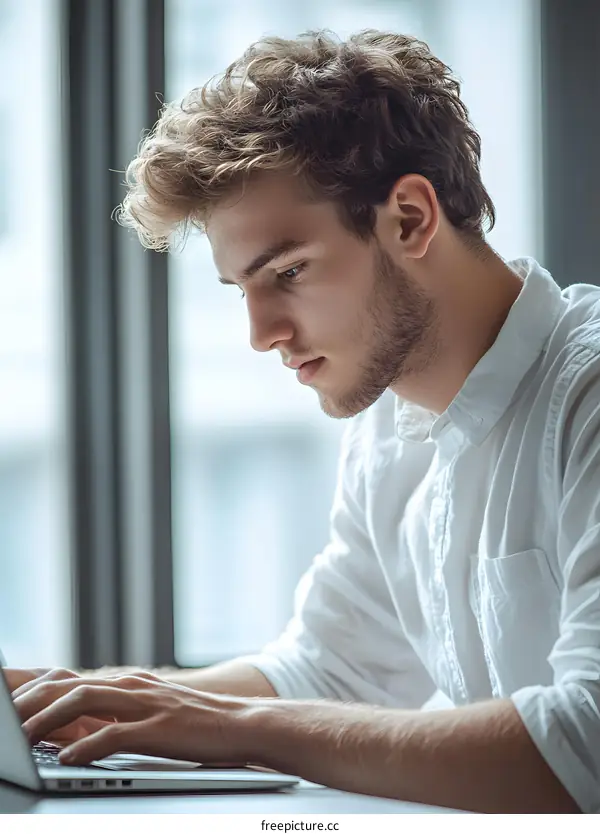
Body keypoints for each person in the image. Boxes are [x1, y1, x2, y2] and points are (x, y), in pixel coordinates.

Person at [6, 28, 599, 813]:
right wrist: (85, 700)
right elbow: (328, 670)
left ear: (411, 219)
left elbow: (586, 739)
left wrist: (245, 726)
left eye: (288, 272)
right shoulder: (390, 425)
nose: (262, 335)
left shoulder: (584, 399)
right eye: (240, 289)